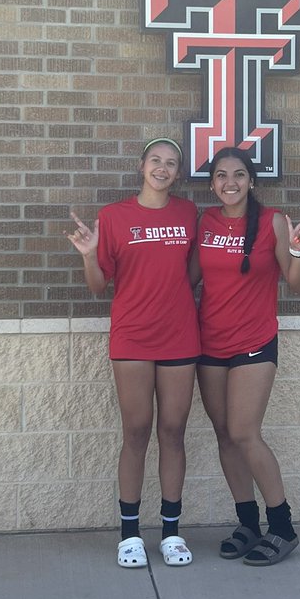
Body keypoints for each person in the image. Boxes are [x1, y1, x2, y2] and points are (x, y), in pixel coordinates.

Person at [68, 138, 200, 569]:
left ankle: (172, 533)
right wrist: (89, 256)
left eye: (171, 163)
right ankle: (129, 535)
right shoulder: (114, 217)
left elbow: (193, 274)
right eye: (155, 161)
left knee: (173, 433)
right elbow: (97, 286)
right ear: (142, 166)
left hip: (180, 337)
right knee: (137, 431)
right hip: (132, 339)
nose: (162, 168)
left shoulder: (187, 214)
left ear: (178, 173)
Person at [191, 146, 300, 567]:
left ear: (251, 181)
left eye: (239, 174)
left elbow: (296, 285)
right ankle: (248, 523)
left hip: (254, 342)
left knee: (246, 432)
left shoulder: (272, 221)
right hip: (210, 343)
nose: (231, 182)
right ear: (212, 184)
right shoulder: (206, 222)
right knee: (225, 435)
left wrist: (298, 251)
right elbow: (187, 278)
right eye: (222, 175)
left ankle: (282, 526)